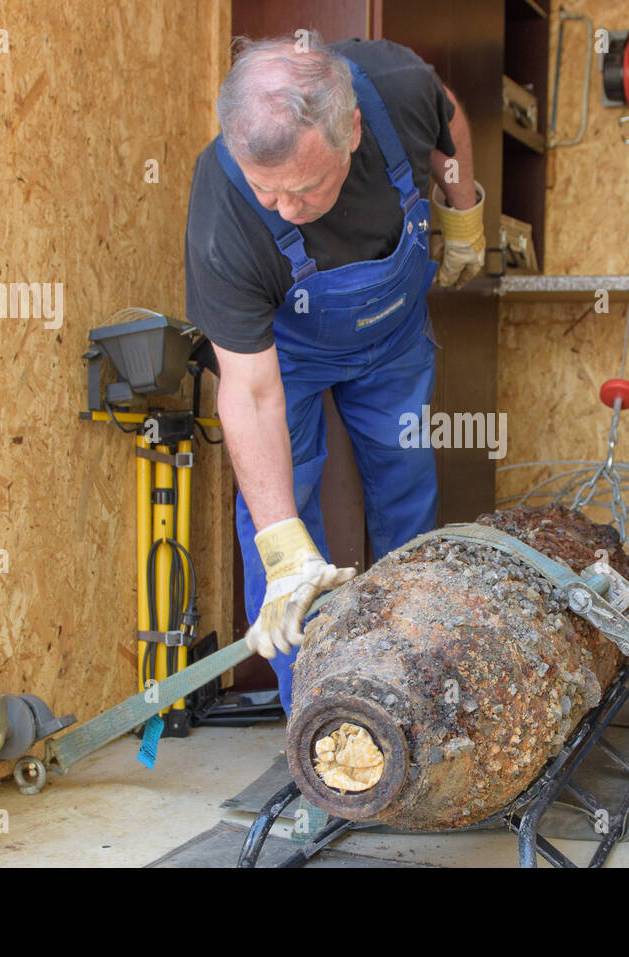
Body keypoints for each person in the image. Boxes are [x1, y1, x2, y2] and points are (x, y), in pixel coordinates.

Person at [184, 32, 484, 714]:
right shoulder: (223, 210)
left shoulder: (396, 85)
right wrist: (285, 543)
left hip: (394, 332)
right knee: (278, 523)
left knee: (407, 487)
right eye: (271, 194)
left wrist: (464, 209)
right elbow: (250, 391)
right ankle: (314, 717)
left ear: (350, 129)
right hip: (286, 354)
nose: (287, 210)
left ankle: (416, 690)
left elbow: (451, 117)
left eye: (307, 188)